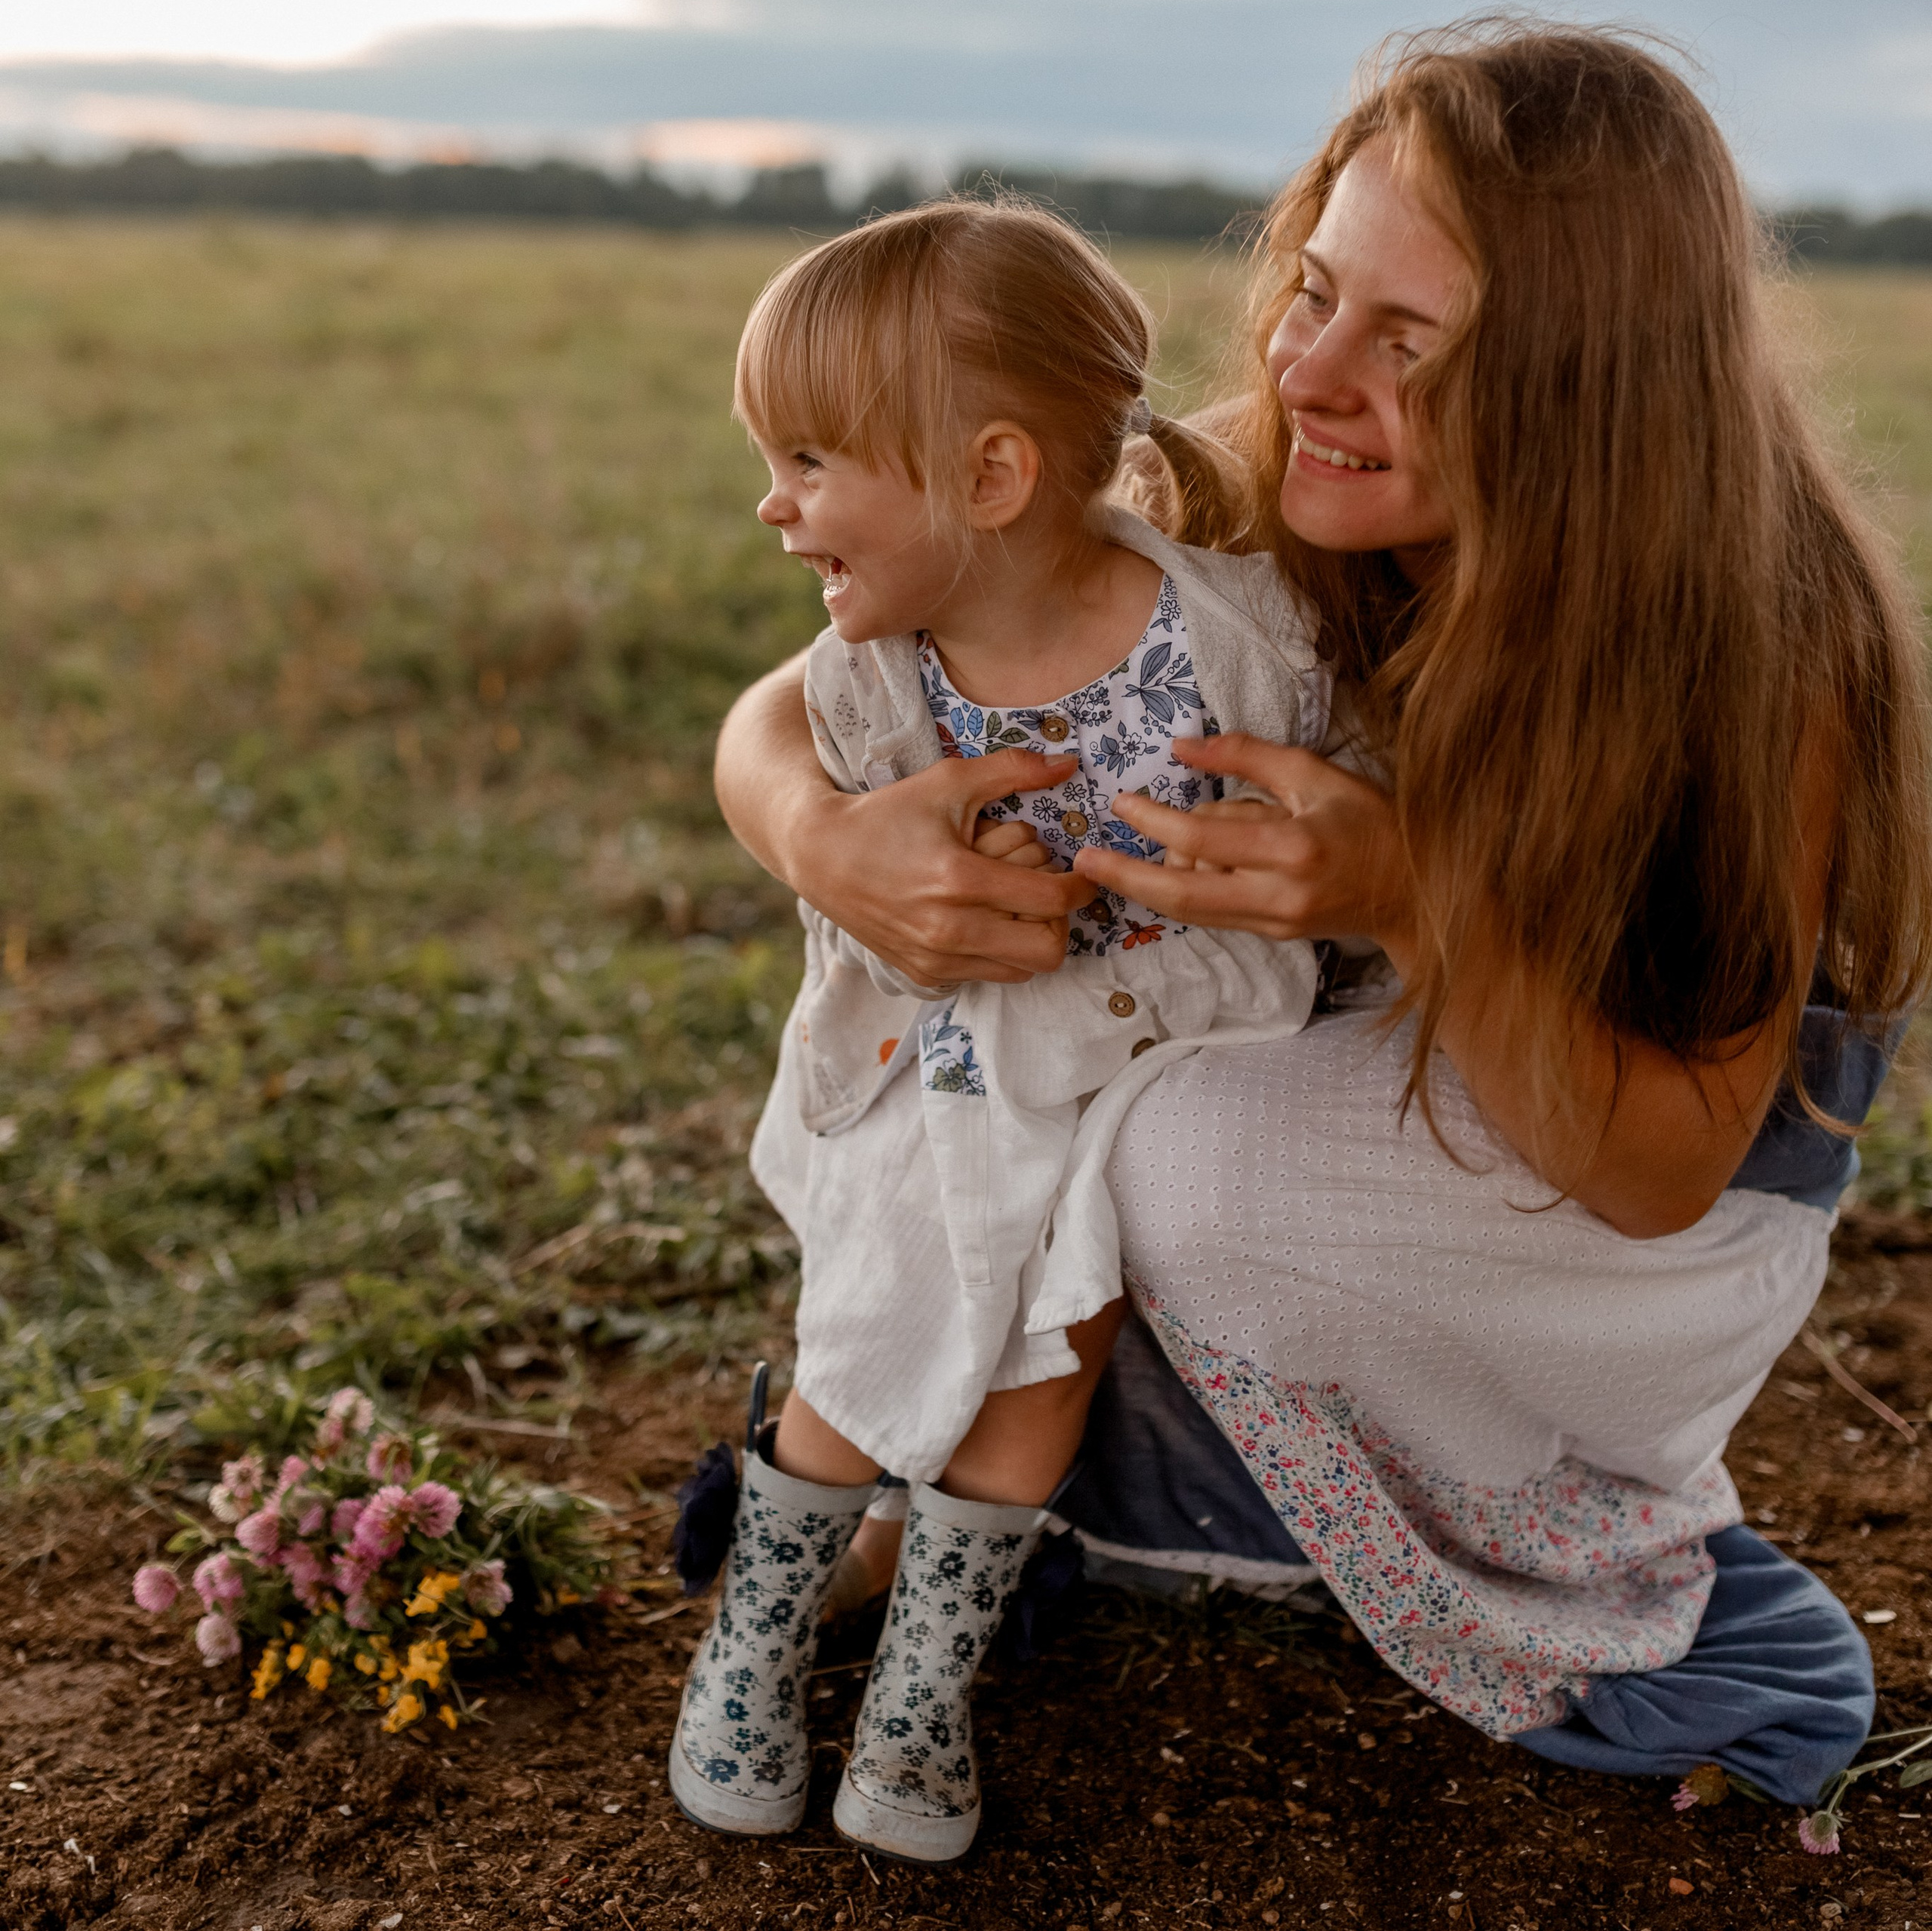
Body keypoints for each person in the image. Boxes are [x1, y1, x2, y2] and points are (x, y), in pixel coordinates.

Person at [712, 24, 1932, 1814]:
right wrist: (817, 834)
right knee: (1019, 1063)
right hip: (1366, 1085)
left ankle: (1426, 1521)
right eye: (1311, 289)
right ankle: (1093, 1467)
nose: (1306, 367)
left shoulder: (1763, 644)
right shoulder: (1273, 473)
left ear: (1585, 387)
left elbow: (1663, 1164)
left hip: (1622, 1204)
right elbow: (815, 683)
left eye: (1407, 341)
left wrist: (1412, 894)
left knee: (1173, 1137)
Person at [670, 201, 1330, 1862]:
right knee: (879, 1304)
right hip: (950, 1065)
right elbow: (868, 911)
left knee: (1048, 1354)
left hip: (1144, 1065)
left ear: (989, 477)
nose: (774, 503)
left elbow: (1343, 820)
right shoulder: (863, 680)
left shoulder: (1247, 640)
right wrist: (953, 880)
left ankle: (922, 1693)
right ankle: (755, 1638)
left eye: (809, 460)